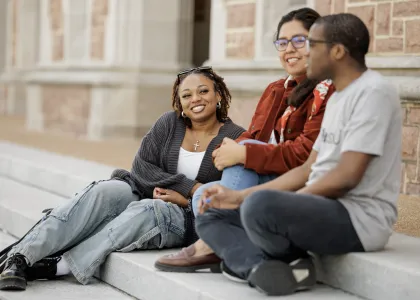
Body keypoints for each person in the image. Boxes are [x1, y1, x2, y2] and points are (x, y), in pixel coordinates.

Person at [195, 12, 402, 296]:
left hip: (358, 218)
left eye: (311, 44)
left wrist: (280, 204)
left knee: (261, 208)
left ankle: (256, 263)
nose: (303, 52)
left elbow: (347, 176)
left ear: (338, 51)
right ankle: (264, 269)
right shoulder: (339, 95)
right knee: (212, 213)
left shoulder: (372, 92)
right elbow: (307, 169)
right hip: (320, 208)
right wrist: (239, 197)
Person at [0, 67, 245, 291]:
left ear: (218, 95)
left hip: (184, 218)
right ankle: (19, 257)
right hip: (143, 190)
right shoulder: (169, 123)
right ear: (180, 103)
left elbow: (227, 195)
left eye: (203, 91)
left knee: (149, 209)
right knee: (105, 191)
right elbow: (141, 167)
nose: (196, 99)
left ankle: (57, 265)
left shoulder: (235, 138)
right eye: (187, 95)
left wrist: (186, 199)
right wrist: (192, 187)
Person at [155, 7, 334, 273]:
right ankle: (230, 247)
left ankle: (210, 245)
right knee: (204, 194)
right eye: (282, 43)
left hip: (303, 185)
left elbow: (305, 155)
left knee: (240, 158)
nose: (289, 49)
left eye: (299, 40)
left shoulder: (327, 92)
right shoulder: (277, 90)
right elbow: (254, 136)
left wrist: (244, 154)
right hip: (270, 177)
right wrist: (231, 151)